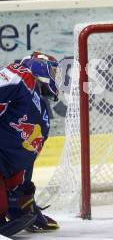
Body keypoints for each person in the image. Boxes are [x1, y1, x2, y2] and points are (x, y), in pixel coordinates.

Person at [0, 52, 60, 236]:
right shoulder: (19, 74)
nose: (56, 77)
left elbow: (25, 161)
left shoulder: (43, 118)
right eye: (54, 71)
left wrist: (23, 201)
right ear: (39, 65)